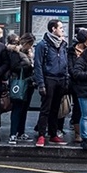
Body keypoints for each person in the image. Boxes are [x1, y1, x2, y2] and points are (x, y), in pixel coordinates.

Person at [33, 19, 70, 147]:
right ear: (53, 29)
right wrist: (41, 84)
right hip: (49, 78)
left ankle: (53, 134)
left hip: (60, 79)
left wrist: (66, 80)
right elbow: (37, 65)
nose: (62, 29)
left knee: (55, 109)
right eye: (60, 27)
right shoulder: (43, 45)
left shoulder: (63, 44)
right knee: (46, 108)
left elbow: (65, 64)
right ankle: (41, 135)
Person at [6, 32, 35, 144]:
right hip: (18, 83)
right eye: (30, 44)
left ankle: (20, 132)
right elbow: (14, 67)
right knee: (17, 109)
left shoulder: (29, 53)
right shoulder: (15, 52)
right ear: (26, 43)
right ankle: (13, 133)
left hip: (28, 83)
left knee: (24, 109)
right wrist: (27, 65)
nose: (31, 47)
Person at [66, 28, 87, 143]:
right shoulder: (71, 51)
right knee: (77, 108)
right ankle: (78, 133)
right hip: (75, 83)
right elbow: (71, 68)